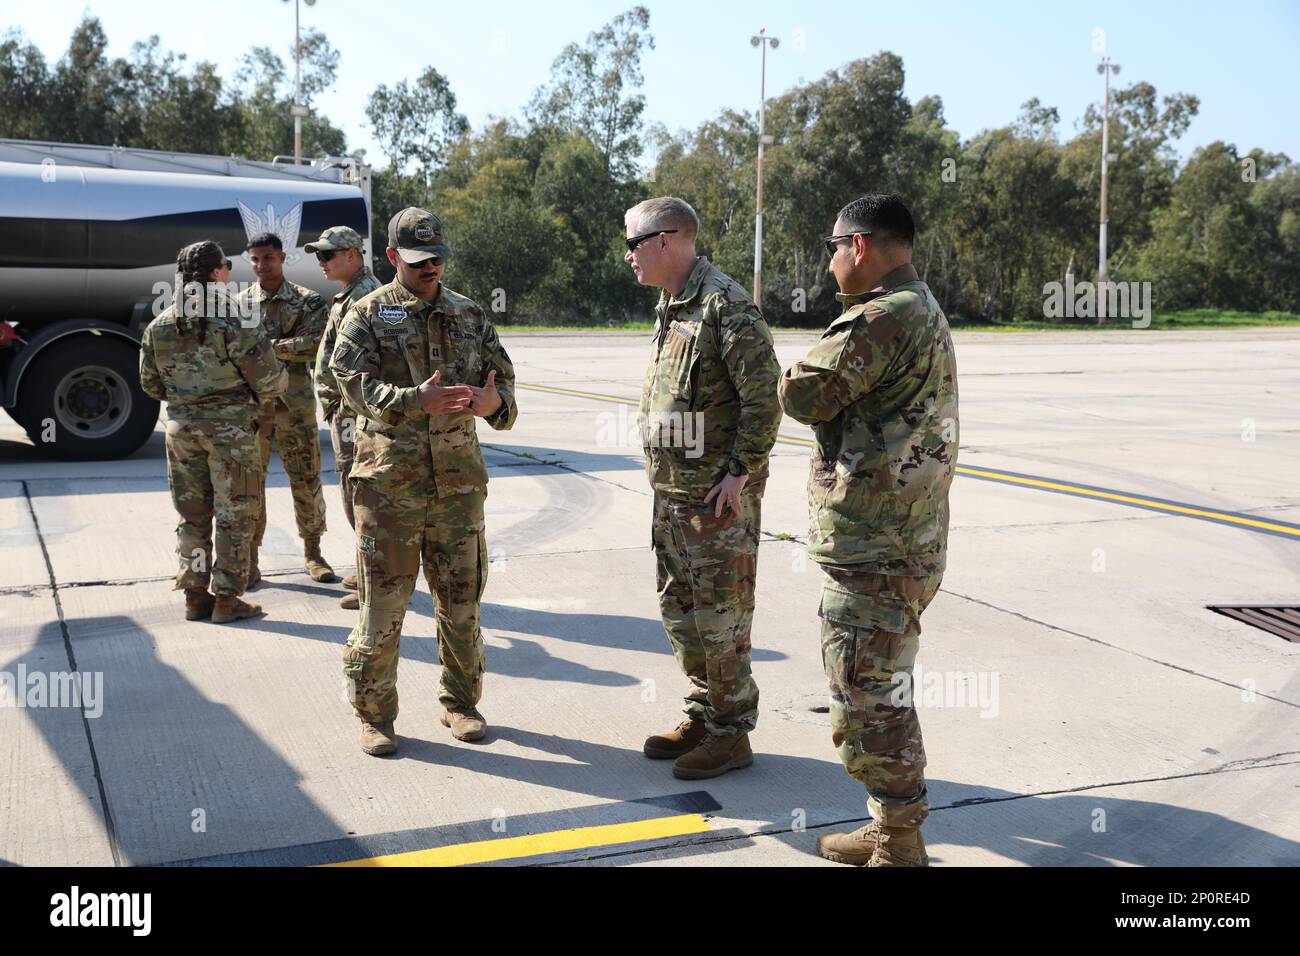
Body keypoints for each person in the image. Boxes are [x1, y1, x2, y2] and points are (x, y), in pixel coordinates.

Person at [778, 194, 959, 867]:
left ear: (859, 246)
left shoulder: (881, 318)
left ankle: (899, 842)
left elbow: (801, 393)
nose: (828, 263)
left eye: (832, 247)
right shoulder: (921, 307)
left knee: (867, 699)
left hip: (877, 547)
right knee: (875, 687)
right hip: (903, 539)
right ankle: (889, 825)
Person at [329, 207, 517, 756]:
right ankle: (375, 715)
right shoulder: (366, 313)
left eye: (437, 258)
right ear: (392, 258)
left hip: (458, 487)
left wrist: (493, 403)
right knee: (384, 607)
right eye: (417, 260)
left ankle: (460, 703)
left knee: (462, 604)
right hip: (390, 488)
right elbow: (350, 384)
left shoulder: (469, 314)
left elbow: (504, 385)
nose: (430, 267)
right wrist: (415, 400)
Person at [625, 196, 782, 780]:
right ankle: (704, 711)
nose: (628, 257)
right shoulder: (673, 304)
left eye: (632, 244)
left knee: (722, 619)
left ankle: (731, 733)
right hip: (673, 495)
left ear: (666, 241)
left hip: (715, 501)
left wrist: (741, 470)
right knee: (681, 613)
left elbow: (765, 395)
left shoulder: (726, 306)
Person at [139, 239, 287, 623]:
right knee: (235, 512)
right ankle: (227, 598)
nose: (229, 273)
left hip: (181, 431)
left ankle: (194, 595)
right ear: (217, 272)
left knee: (193, 514)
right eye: (227, 267)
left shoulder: (161, 324)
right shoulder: (237, 317)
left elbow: (150, 385)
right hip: (231, 434)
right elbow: (271, 380)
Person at [233, 232, 333, 587]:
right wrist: (274, 349)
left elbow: (313, 345)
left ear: (283, 257)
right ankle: (252, 557)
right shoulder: (239, 304)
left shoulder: (309, 302)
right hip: (254, 408)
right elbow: (234, 351)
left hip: (296, 405)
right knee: (250, 483)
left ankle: (313, 552)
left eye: (269, 258)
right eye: (256, 259)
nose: (262, 265)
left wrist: (263, 347)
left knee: (306, 477)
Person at [306, 226, 382, 610]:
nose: (321, 262)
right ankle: (367, 568)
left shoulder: (366, 296)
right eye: (319, 256)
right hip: (344, 411)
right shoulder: (348, 295)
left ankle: (375, 583)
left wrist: (345, 406)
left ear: (353, 255)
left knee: (363, 494)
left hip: (356, 413)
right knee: (355, 492)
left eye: (328, 255)